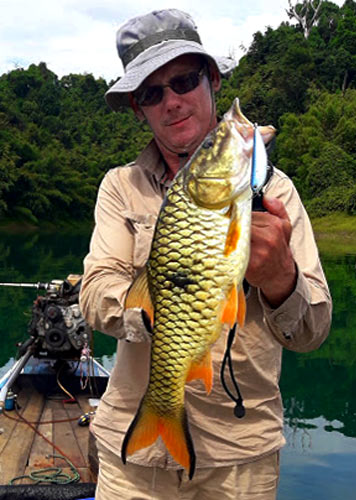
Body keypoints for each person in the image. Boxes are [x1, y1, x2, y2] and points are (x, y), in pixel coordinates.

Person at [79, 8, 332, 500]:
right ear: (138, 108)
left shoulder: (278, 192)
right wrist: (158, 313)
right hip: (133, 458)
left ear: (212, 79)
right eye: (153, 93)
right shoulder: (120, 187)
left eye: (184, 81)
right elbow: (94, 294)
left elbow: (313, 331)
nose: (172, 102)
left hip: (242, 460)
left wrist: (281, 279)